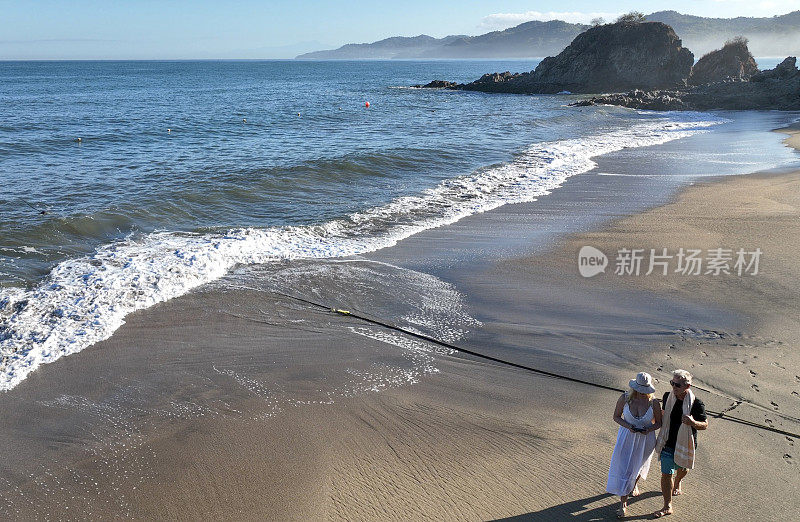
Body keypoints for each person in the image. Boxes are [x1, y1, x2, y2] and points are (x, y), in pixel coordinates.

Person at [652, 369, 708, 518]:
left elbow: (705, 424)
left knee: (683, 469)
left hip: (685, 443)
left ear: (687, 386)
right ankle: (667, 506)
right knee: (666, 473)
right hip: (668, 442)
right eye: (672, 383)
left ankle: (678, 481)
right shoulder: (667, 397)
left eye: (677, 384)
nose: (673, 387)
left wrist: (693, 422)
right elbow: (664, 416)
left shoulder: (696, 403)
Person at [607, 372, 662, 518]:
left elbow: (659, 423)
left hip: (646, 439)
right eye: (641, 390)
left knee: (638, 466)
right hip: (626, 437)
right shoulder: (625, 398)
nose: (643, 393)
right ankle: (623, 504)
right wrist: (628, 426)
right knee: (625, 468)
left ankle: (633, 484)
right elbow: (616, 417)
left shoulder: (654, 403)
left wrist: (648, 429)